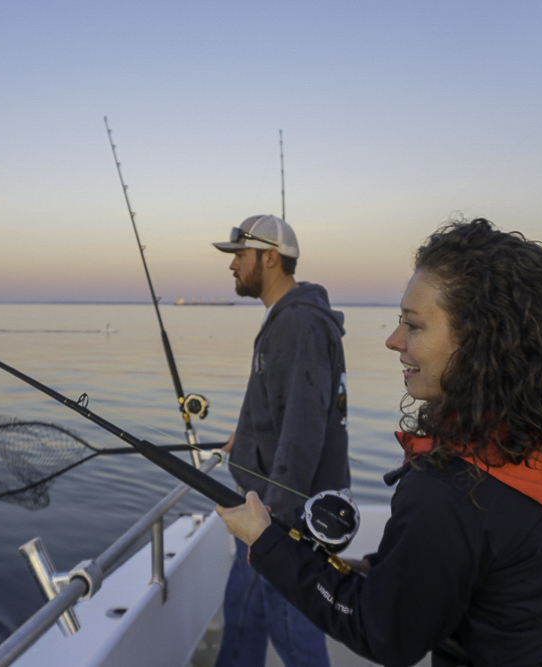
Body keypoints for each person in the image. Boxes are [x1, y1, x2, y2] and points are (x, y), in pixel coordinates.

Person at [217, 218, 542, 667]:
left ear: (479, 342)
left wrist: (267, 536)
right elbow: (494, 563)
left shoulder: (453, 490)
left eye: (413, 326)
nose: (393, 340)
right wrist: (381, 568)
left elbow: (385, 634)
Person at [212, 214, 350, 667]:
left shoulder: (298, 325)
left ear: (269, 258)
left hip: (279, 519)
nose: (232, 266)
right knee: (243, 619)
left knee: (295, 637)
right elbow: (287, 407)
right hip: (263, 507)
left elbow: (304, 427)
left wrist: (273, 526)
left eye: (240, 256)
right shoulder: (290, 320)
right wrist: (246, 436)